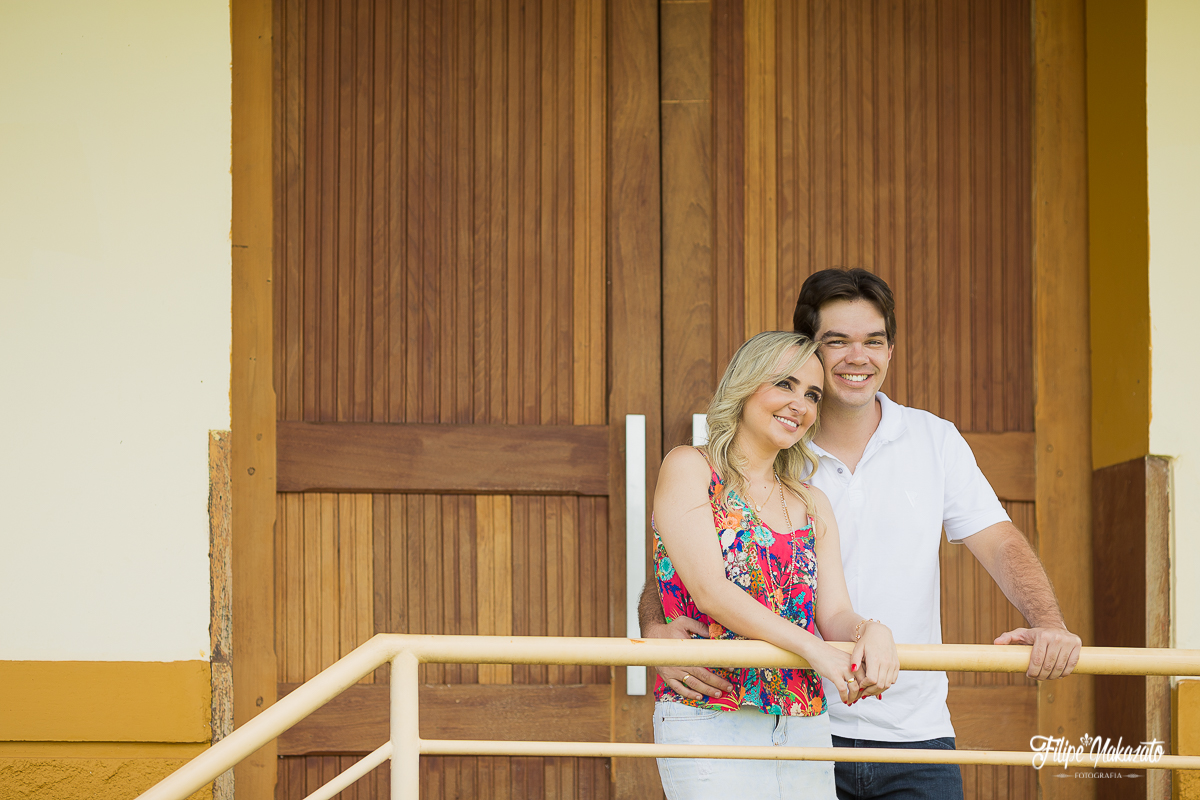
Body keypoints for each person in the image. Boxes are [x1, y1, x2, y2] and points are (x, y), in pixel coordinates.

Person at [640, 268, 1082, 800]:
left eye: (873, 341)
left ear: (890, 350)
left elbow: (999, 540)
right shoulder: (756, 451)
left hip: (903, 729)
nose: (858, 357)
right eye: (837, 341)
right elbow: (689, 569)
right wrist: (654, 628)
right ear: (807, 348)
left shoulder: (927, 443)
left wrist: (1049, 622)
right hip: (799, 719)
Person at [651, 330, 899, 800]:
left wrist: (870, 629)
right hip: (710, 712)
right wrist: (817, 652)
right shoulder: (690, 467)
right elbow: (710, 591)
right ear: (745, 385)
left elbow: (833, 613)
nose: (799, 405)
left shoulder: (813, 502)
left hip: (804, 719)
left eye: (812, 395)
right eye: (785, 384)